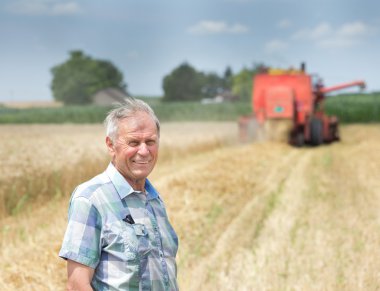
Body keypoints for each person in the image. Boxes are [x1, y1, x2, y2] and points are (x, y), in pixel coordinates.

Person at [59, 99, 179, 291]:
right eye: (134, 142)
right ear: (110, 145)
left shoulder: (154, 200)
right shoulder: (91, 199)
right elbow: (76, 285)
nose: (144, 151)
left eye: (150, 142)